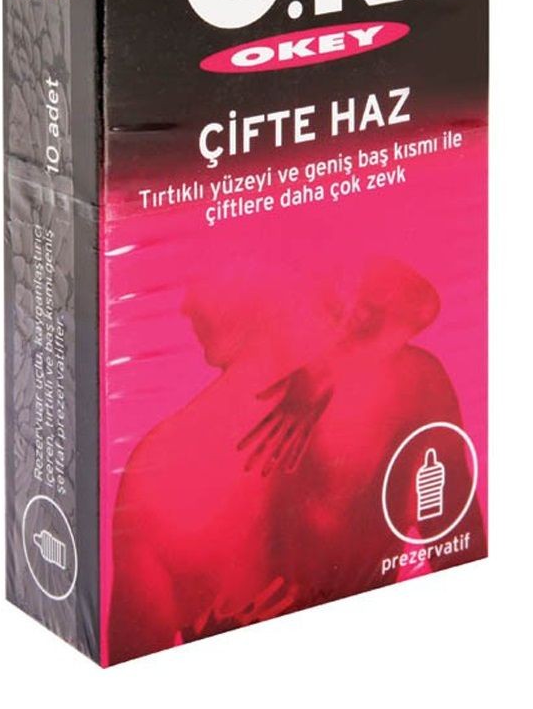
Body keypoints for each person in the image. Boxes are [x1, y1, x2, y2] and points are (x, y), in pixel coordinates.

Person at [108, 254, 485, 663]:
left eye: (195, 278)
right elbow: (464, 572)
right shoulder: (412, 384)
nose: (184, 305)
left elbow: (132, 659)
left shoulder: (153, 473)